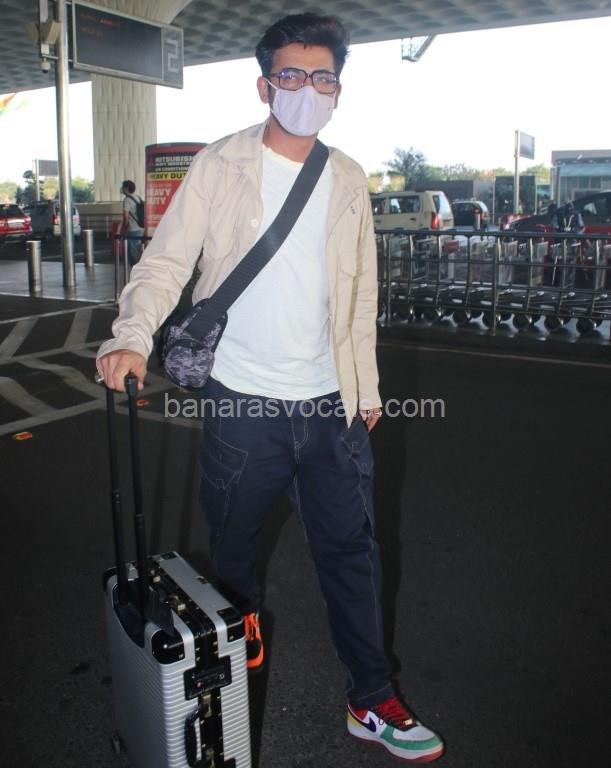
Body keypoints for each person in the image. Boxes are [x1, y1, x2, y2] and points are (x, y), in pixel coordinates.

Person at [97, 13, 444, 764]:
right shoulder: (221, 164)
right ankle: (226, 659)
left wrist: (366, 387)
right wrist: (130, 335)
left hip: (329, 405)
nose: (306, 90)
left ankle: (370, 697)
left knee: (352, 554)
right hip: (242, 403)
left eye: (322, 78)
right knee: (233, 552)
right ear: (264, 86)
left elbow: (358, 294)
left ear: (337, 91)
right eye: (291, 75)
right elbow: (166, 262)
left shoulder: (347, 177)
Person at [119, 180, 144, 266]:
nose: (121, 189)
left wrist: (123, 230)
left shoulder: (127, 200)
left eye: (123, 187)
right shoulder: (138, 197)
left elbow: (125, 218)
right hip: (142, 227)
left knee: (133, 253)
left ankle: (135, 269)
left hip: (133, 229)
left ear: (126, 188)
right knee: (140, 251)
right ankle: (140, 268)